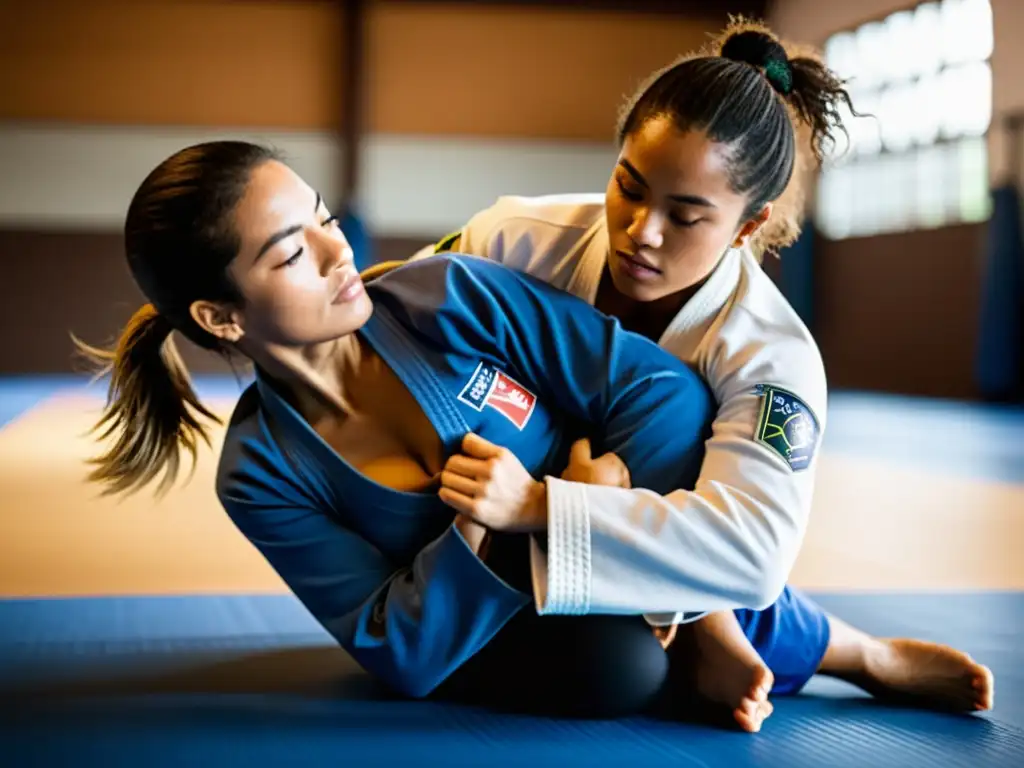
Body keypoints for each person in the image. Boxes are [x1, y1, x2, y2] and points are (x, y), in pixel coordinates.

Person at [73, 138, 990, 733]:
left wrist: (570, 502)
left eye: (321, 217)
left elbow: (652, 391)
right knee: (617, 671)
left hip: (612, 496)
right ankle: (723, 630)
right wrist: (482, 522)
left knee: (681, 427)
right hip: (508, 616)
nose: (336, 250)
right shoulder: (262, 472)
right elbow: (397, 647)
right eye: (289, 253)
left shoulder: (439, 296)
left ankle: (807, 641)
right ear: (221, 316)